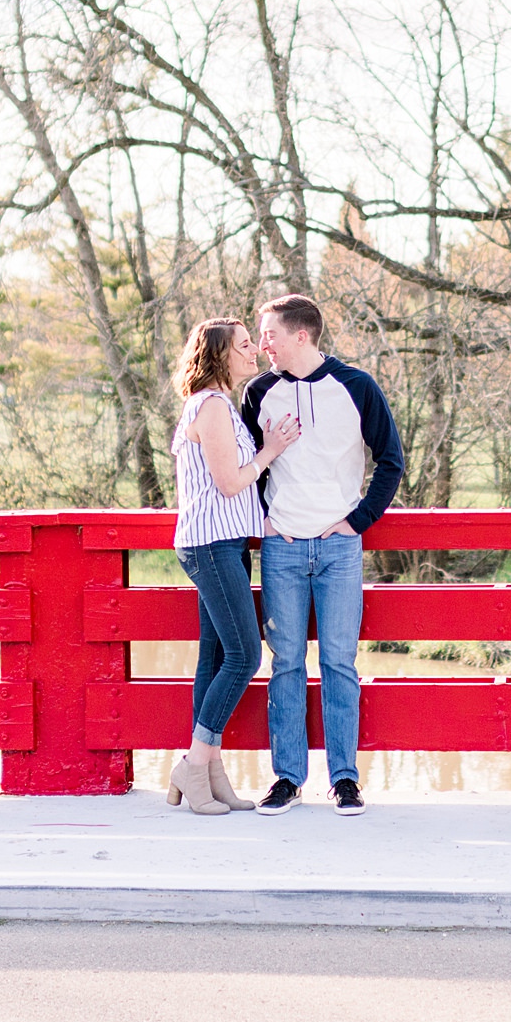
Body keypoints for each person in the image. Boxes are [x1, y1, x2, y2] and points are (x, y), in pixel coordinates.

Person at [241, 292, 403, 815]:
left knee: (339, 661)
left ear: (301, 334)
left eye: (269, 334)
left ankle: (345, 779)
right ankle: (287, 778)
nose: (262, 344)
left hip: (339, 547)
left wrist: (355, 521)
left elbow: (391, 461)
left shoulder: (355, 387)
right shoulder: (258, 392)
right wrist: (262, 516)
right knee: (285, 663)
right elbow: (245, 465)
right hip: (282, 546)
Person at [165, 317, 300, 815]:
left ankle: (210, 773)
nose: (253, 351)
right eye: (245, 345)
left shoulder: (218, 406)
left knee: (215, 657)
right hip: (211, 545)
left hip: (225, 543)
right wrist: (271, 450)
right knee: (245, 656)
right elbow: (228, 482)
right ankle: (193, 765)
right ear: (221, 355)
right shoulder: (214, 407)